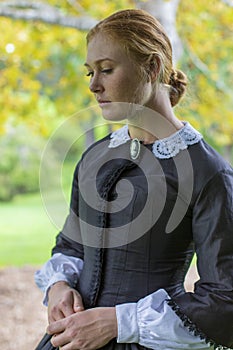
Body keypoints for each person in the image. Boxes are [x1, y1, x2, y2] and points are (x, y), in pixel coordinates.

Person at [35, 9, 233, 350]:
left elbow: (225, 301)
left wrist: (118, 322)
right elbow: (71, 245)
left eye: (107, 70)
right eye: (90, 72)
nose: (94, 85)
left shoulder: (208, 172)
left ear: (152, 67)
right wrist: (58, 288)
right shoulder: (94, 157)